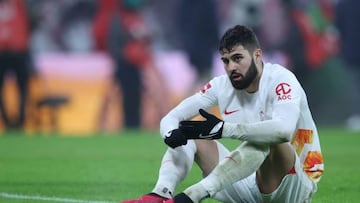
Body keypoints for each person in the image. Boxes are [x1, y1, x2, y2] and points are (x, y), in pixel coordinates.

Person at [121, 25, 324, 203]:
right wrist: (170, 134)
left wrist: (223, 129)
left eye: (237, 58)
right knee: (190, 131)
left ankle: (194, 195)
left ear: (257, 56)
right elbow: (172, 117)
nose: (231, 67)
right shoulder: (221, 85)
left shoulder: (281, 80)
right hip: (251, 181)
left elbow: (283, 131)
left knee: (266, 139)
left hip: (295, 184)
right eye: (226, 61)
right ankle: (160, 195)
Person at [0, 0, 33, 130]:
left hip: (16, 49)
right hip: (14, 49)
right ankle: (13, 121)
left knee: (23, 87)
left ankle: (18, 121)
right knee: (22, 88)